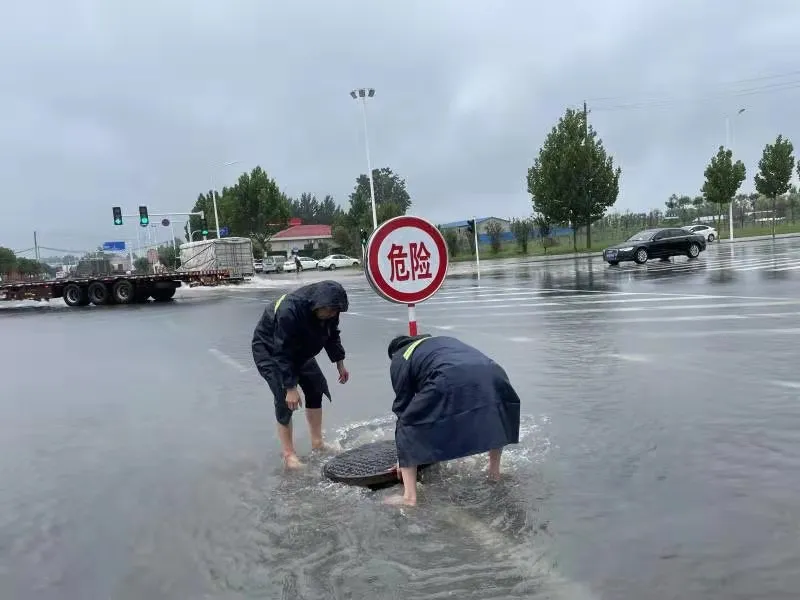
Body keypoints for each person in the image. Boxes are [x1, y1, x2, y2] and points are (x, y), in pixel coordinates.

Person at [385, 333, 521, 506]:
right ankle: (494, 473)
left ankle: (409, 498)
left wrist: (403, 456)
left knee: (407, 422)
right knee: (492, 412)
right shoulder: (439, 343)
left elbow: (403, 407)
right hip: (494, 372)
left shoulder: (401, 356)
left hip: (448, 376)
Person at [251, 280, 350, 468]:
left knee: (316, 386)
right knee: (285, 399)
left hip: (300, 350)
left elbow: (332, 334)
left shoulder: (330, 309)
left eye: (335, 312)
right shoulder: (290, 310)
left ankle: (317, 443)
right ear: (318, 304)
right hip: (271, 350)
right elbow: (282, 350)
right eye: (329, 311)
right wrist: (290, 387)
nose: (332, 315)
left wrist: (340, 363)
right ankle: (289, 455)